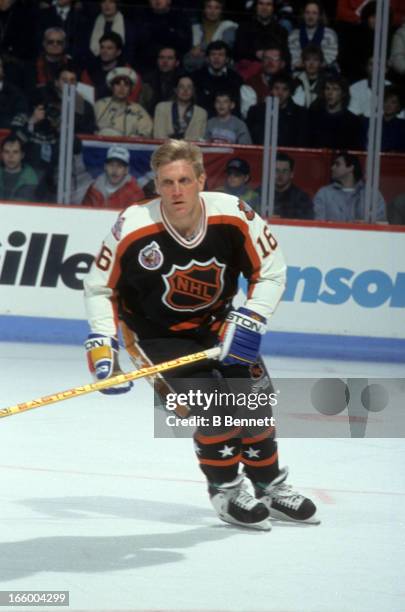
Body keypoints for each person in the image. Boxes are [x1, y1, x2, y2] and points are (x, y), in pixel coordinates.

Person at [84, 138, 319, 530]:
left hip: (220, 324)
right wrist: (102, 343)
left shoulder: (234, 213)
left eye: (184, 180)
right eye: (167, 182)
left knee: (254, 403)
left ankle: (269, 484)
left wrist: (250, 318)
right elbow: (100, 287)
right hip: (156, 337)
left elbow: (271, 269)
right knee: (214, 409)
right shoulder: (132, 225)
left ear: (201, 180)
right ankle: (226, 490)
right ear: (156, 185)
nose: (176, 191)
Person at [314, 151, 386, 222]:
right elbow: (318, 223)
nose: (332, 168)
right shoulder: (324, 194)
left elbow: (379, 222)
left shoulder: (371, 194)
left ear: (350, 168)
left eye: (337, 164)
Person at [247, 74, 309, 146]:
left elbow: (302, 142)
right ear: (271, 90)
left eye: (285, 89)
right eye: (276, 88)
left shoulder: (300, 114)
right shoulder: (256, 111)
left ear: (290, 92)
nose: (280, 93)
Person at [233, 0, 289, 79]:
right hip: (249, 75)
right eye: (261, 3)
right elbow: (237, 53)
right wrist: (255, 54)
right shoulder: (244, 28)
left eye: (268, 4)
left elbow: (285, 57)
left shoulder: (281, 31)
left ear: (273, 8)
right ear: (256, 6)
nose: (264, 7)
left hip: (275, 76)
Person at [81, 32, 142, 103]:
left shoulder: (129, 73)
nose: (104, 51)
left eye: (109, 48)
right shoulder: (89, 71)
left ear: (118, 52)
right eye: (102, 47)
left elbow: (131, 101)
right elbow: (86, 100)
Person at [308, 74, 363, 150]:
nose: (330, 93)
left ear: (343, 93)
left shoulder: (353, 121)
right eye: (327, 89)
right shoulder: (314, 117)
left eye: (335, 89)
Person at [95, 66, 153, 137]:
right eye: (117, 83)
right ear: (112, 87)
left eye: (126, 84)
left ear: (130, 89)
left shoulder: (138, 110)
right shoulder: (99, 104)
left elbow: (146, 133)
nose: (121, 88)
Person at [183, 0, 238, 73]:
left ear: (221, 11)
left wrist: (201, 48)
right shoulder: (195, 28)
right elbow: (187, 60)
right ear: (204, 9)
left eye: (217, 8)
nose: (212, 11)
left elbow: (225, 50)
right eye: (209, 7)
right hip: (197, 73)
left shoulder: (228, 26)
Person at [192, 40, 244, 117]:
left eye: (221, 55)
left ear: (227, 59)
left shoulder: (236, 78)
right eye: (213, 54)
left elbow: (236, 108)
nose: (216, 58)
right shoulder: (196, 77)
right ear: (207, 58)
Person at [82, 144, 144, 208]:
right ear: (105, 166)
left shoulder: (135, 192)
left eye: (119, 166)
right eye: (111, 165)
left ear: (126, 170)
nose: (115, 170)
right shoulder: (93, 189)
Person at [288, 1, 338, 73]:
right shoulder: (293, 35)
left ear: (319, 16)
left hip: (324, 71)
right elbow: (294, 59)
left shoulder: (330, 34)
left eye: (314, 13)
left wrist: (313, 66)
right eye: (307, 13)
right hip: (300, 72)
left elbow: (330, 58)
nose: (310, 16)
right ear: (303, 14)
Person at [153, 74, 207, 141]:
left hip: (189, 151)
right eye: (181, 87)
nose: (185, 90)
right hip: (165, 150)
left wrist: (172, 137)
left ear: (193, 91)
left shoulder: (201, 113)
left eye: (189, 87)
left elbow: (196, 139)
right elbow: (158, 136)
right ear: (176, 90)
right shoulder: (162, 108)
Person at [139, 46, 182, 115]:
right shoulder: (147, 81)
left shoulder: (183, 81)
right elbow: (141, 107)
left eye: (170, 58)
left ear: (177, 62)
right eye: (161, 57)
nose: (165, 61)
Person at [272, 152, 314, 218]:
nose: (280, 175)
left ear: (291, 174)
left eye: (284, 171)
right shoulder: (261, 193)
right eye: (276, 170)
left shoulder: (302, 198)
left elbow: (305, 223)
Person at [0, 135, 39, 202]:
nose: (10, 156)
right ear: (2, 154)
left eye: (15, 152)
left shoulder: (32, 179)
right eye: (7, 152)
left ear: (22, 155)